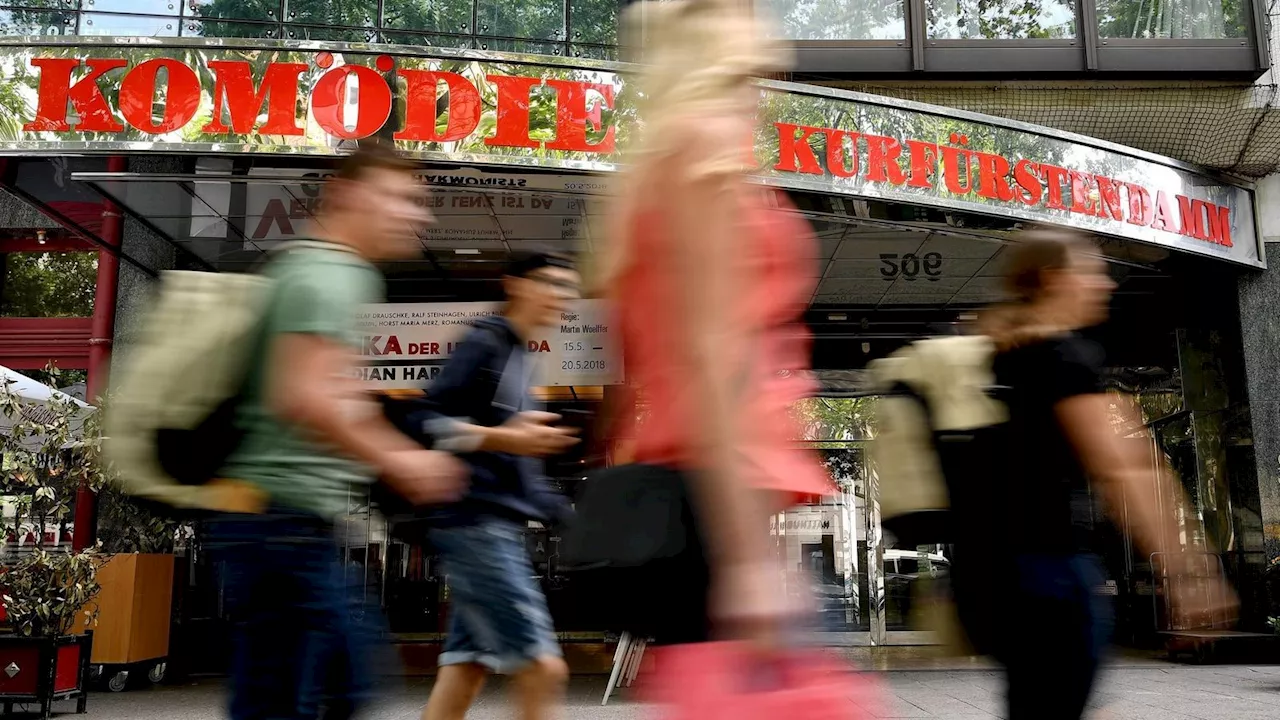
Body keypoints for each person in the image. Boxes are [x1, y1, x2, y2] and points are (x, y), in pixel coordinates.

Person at [589, 0, 832, 648]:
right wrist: (749, 555)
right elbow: (709, 350)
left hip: (711, 483)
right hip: (719, 488)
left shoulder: (674, 158)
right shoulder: (703, 149)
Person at [207, 143, 466, 720]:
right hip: (282, 528)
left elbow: (322, 390)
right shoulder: (332, 272)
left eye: (419, 202)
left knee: (298, 694)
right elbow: (304, 395)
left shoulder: (312, 267)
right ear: (345, 194)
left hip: (275, 526)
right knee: (333, 689)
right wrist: (405, 460)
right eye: (398, 197)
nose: (416, 215)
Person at [968, 229, 1238, 720]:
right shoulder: (1061, 359)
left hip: (1007, 574)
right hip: (1052, 572)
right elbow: (1125, 467)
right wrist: (1189, 571)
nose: (1106, 284)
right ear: (1054, 280)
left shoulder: (1008, 356)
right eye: (1091, 271)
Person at [420, 251, 581, 720]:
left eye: (567, 288)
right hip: (474, 525)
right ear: (514, 284)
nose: (559, 296)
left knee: (465, 668)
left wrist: (570, 516)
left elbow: (516, 471)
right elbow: (426, 420)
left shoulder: (522, 360)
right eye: (548, 282)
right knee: (543, 669)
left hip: (491, 523)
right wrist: (505, 436)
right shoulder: (486, 343)